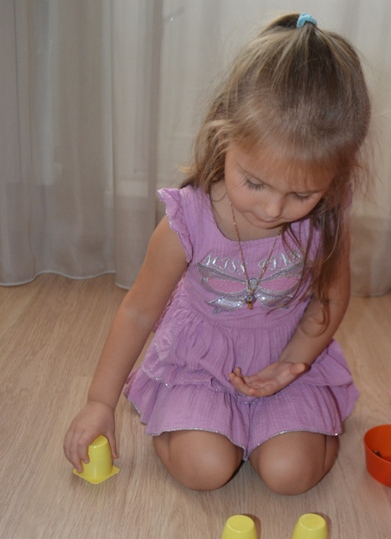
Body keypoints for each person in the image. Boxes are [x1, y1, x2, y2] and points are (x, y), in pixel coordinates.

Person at [64, 12, 371, 495]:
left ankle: (288, 426)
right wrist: (99, 401)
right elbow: (139, 312)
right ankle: (203, 423)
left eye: (301, 194)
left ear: (335, 178)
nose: (273, 209)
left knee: (290, 474)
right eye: (255, 182)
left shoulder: (327, 219)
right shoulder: (187, 220)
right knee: (205, 469)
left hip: (285, 355)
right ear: (224, 137)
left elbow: (330, 299)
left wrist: (292, 363)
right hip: (200, 363)